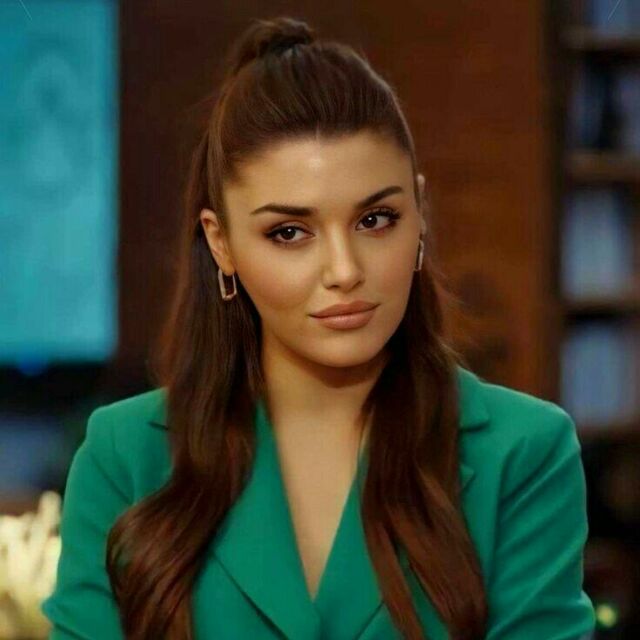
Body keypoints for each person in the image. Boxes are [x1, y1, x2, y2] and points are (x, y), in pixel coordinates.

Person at [41, 15, 596, 640]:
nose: (344, 270)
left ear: (419, 213)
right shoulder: (125, 457)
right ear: (221, 243)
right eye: (289, 233)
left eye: (375, 220)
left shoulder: (525, 453)